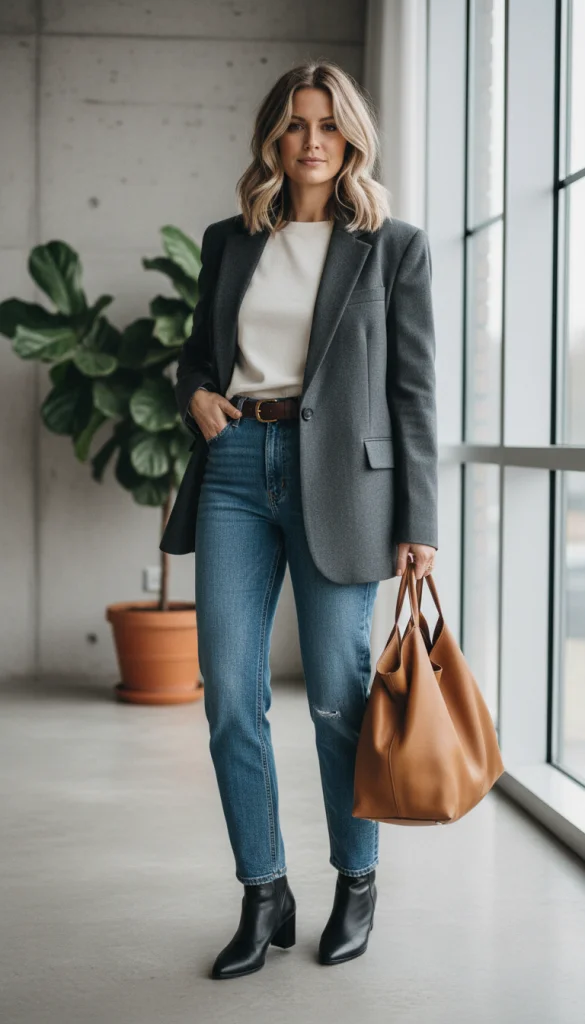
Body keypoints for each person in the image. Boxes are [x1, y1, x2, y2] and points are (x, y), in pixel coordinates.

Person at [160, 58, 438, 979]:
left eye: (325, 124)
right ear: (272, 140)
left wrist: (420, 523)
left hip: (345, 486)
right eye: (293, 125)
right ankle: (263, 891)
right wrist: (198, 395)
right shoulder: (229, 239)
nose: (310, 140)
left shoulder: (392, 245)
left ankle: (355, 880)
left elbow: (412, 394)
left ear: (349, 134)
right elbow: (200, 358)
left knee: (333, 698)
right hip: (240, 465)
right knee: (231, 698)